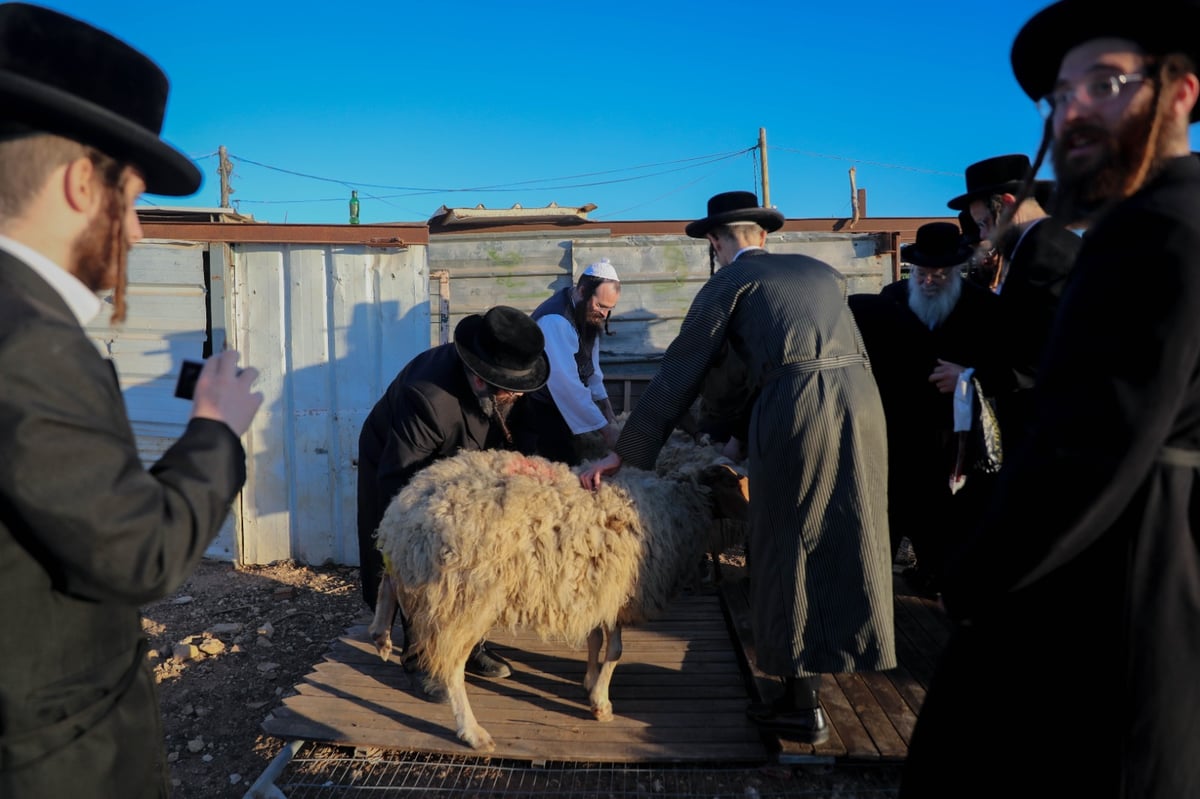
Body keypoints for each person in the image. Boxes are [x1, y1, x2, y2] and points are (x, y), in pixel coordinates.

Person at [901, 3, 1200, 796]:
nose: (1072, 112)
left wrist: (971, 578)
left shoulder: (1157, 229)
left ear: (1179, 97)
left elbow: (1090, 444)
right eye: (1060, 96)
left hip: (1118, 573)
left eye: (1104, 84)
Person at [0, 5, 264, 797]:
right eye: (136, 198)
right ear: (85, 182)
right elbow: (137, 552)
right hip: (57, 766)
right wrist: (215, 428)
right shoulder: (29, 343)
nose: (141, 233)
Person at [580, 190, 895, 744]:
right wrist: (731, 435)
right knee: (848, 533)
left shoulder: (729, 282)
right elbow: (784, 360)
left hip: (799, 411)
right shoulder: (822, 274)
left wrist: (624, 452)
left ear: (715, 242)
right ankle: (832, 669)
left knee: (784, 543)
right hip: (863, 404)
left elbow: (683, 371)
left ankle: (803, 706)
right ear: (764, 237)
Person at [356, 304, 549, 680]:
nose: (518, 396)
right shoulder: (426, 398)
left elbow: (530, 431)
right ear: (480, 379)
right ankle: (421, 656)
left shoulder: (517, 385)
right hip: (403, 466)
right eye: (510, 390)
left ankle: (470, 644)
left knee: (480, 556)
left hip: (470, 470)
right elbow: (402, 488)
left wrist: (527, 469)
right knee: (423, 557)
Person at [848, 222, 1002, 596]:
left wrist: (969, 375)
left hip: (951, 438)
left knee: (945, 525)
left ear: (957, 271)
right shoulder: (892, 298)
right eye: (922, 273)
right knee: (886, 517)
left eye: (940, 274)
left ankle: (938, 585)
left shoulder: (983, 306)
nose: (929, 281)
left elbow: (1009, 367)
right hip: (894, 431)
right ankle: (872, 591)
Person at [940, 152, 1081, 446]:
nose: (984, 236)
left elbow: (1042, 358)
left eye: (984, 224)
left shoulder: (1044, 255)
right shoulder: (1047, 244)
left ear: (1006, 205)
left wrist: (970, 378)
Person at [528, 258, 621, 464]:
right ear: (582, 291)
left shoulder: (588, 314)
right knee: (562, 463)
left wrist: (607, 408)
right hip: (539, 405)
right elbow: (565, 383)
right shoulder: (555, 320)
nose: (604, 314)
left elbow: (592, 366)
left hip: (563, 400)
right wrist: (606, 431)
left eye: (609, 308)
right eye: (600, 305)